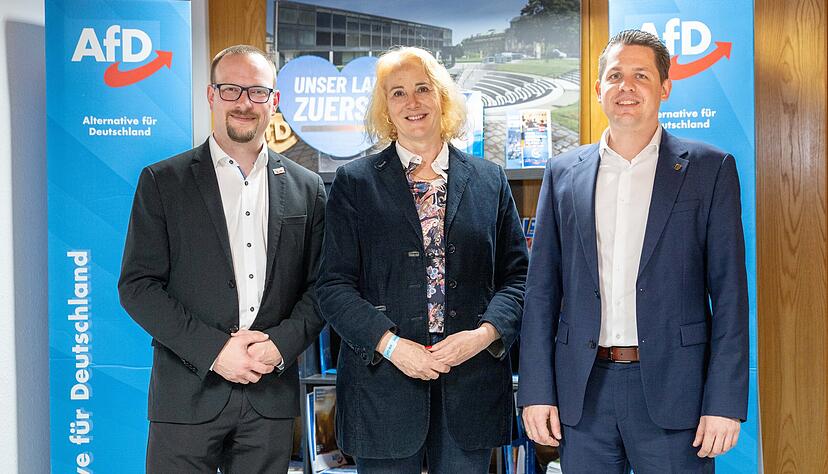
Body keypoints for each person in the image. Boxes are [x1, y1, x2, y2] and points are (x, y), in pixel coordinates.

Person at [518, 30, 748, 473]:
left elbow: (731, 294)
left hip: (676, 393)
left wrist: (724, 401)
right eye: (615, 75)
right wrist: (537, 390)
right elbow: (541, 293)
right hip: (583, 393)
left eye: (641, 75)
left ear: (665, 87)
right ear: (599, 88)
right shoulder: (563, 173)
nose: (626, 87)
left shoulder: (708, 169)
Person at [316, 47, 528, 473]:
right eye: (397, 93)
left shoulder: (489, 180)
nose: (412, 102)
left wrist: (482, 336)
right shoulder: (354, 183)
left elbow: (518, 279)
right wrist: (392, 346)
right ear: (385, 109)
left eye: (422, 89)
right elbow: (333, 287)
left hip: (470, 385)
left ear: (443, 98)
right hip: (383, 388)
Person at [118, 44, 326, 473]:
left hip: (269, 397)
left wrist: (278, 347)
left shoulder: (308, 188)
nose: (244, 103)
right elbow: (138, 287)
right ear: (211, 96)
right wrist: (215, 351)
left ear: (274, 101)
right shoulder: (163, 181)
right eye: (230, 90)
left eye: (256, 91)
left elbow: (321, 287)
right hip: (186, 394)